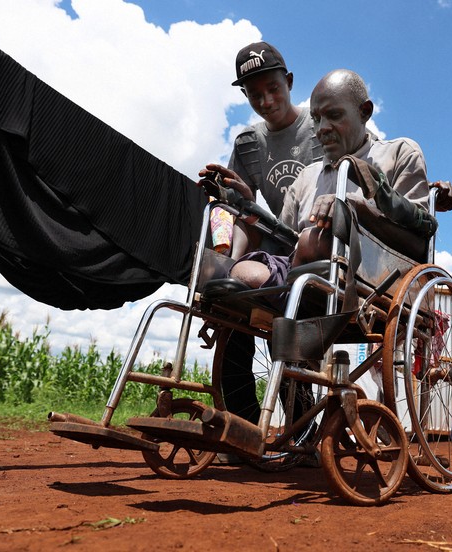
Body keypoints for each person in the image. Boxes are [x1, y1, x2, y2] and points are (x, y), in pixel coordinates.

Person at [198, 42, 321, 435]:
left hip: (314, 247)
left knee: (283, 326)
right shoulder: (248, 145)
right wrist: (232, 206)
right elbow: (243, 216)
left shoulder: (323, 128)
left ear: (289, 82)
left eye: (273, 89)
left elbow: (367, 168)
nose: (266, 101)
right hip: (272, 247)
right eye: (254, 94)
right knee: (233, 295)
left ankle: (300, 427)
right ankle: (243, 424)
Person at [231, 69, 448, 290]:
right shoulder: (306, 177)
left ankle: (292, 296)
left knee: (312, 242)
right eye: (316, 119)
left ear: (364, 112)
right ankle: (290, 294)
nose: (321, 129)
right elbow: (282, 246)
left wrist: (353, 211)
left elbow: (418, 244)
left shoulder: (398, 154)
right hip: (303, 273)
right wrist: (249, 208)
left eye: (334, 115)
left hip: (372, 283)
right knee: (240, 272)